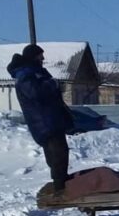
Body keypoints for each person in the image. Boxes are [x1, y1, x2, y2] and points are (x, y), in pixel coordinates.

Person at [8, 44, 73, 194]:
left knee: (60, 153)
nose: (43, 58)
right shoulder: (25, 74)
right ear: (33, 57)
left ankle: (62, 183)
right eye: (40, 56)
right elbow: (35, 92)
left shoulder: (34, 72)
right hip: (44, 122)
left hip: (50, 119)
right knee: (57, 154)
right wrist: (52, 84)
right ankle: (60, 188)